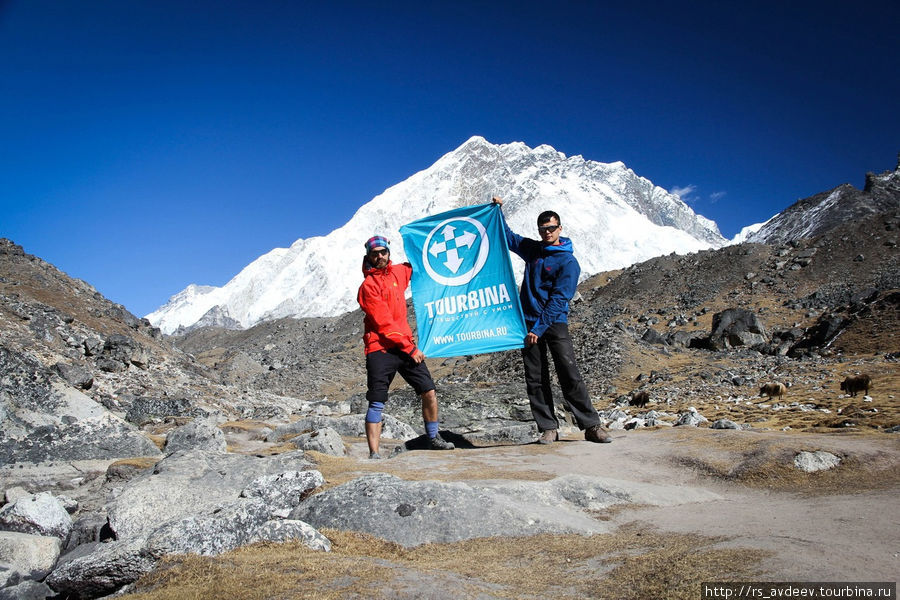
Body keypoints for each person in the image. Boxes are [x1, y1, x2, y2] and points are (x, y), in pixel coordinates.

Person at [491, 197, 611, 444]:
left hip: (553, 322)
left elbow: (560, 298)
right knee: (535, 377)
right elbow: (509, 238)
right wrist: (497, 210)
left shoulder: (568, 261)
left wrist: (539, 327)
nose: (547, 232)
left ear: (560, 229)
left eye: (551, 228)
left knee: (568, 371)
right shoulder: (534, 250)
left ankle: (591, 425)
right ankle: (548, 428)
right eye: (543, 229)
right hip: (529, 322)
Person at [357, 235, 455, 459]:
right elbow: (383, 323)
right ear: (369, 257)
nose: (380, 256)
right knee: (377, 401)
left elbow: (424, 263)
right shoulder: (367, 287)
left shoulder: (399, 272)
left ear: (389, 253)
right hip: (380, 348)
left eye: (383, 252)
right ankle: (374, 453)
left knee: (428, 390)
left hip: (404, 345)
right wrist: (409, 348)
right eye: (375, 253)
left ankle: (433, 438)